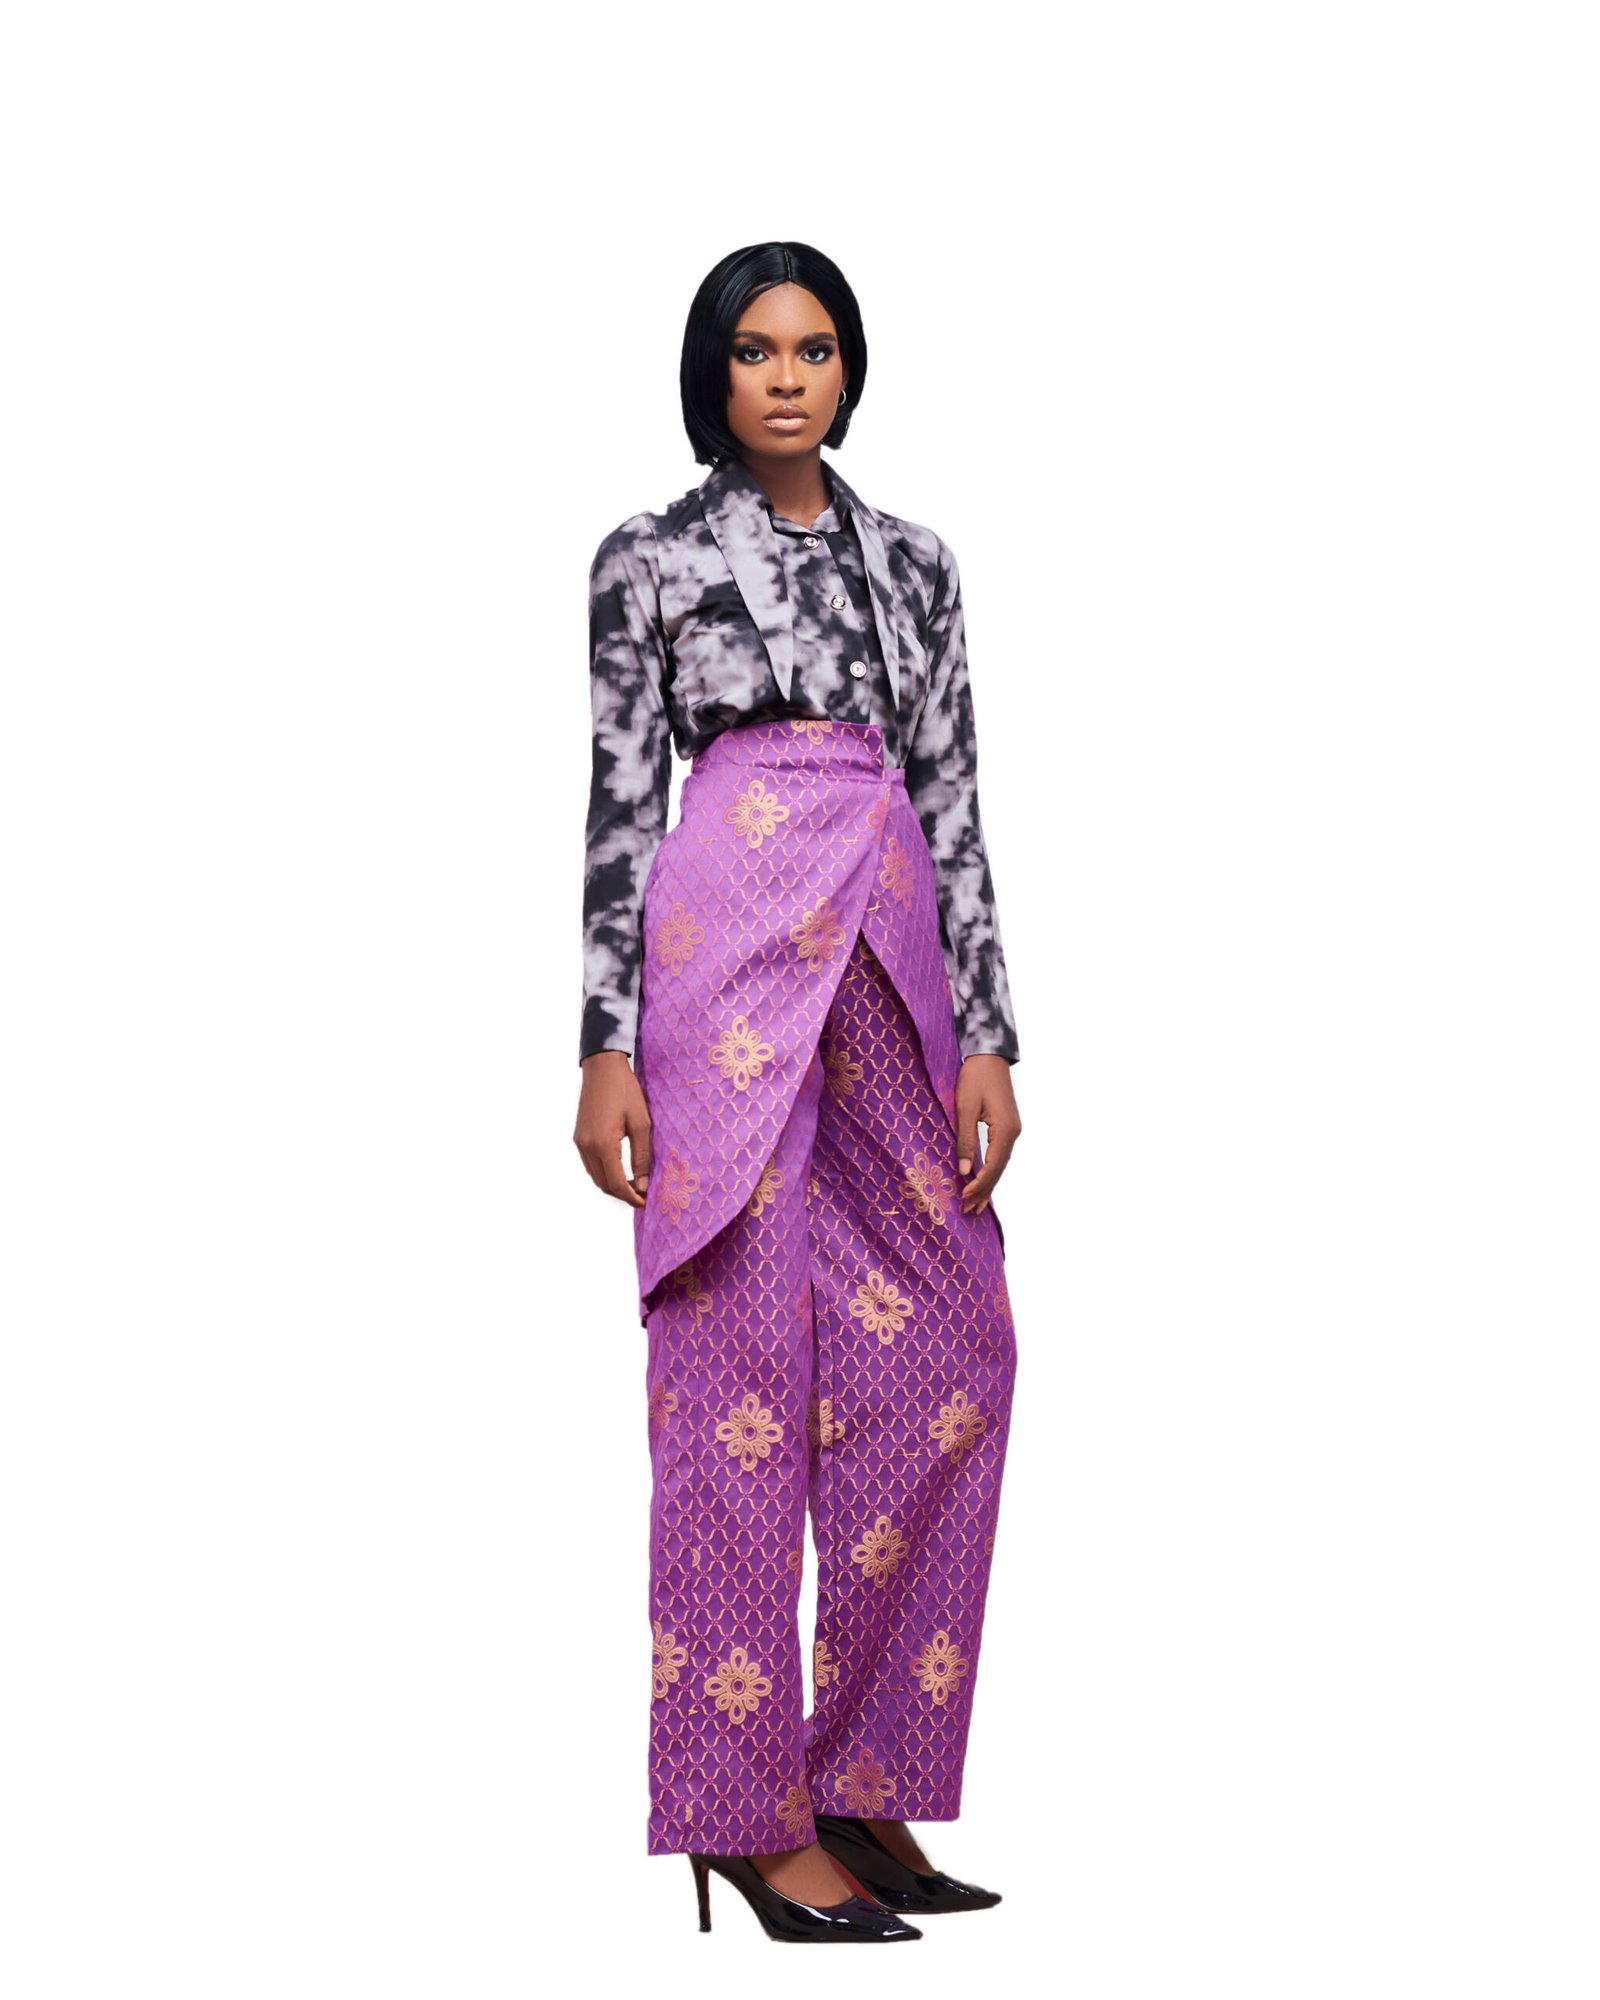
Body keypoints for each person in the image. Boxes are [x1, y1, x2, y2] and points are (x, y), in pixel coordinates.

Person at [573, 240, 1023, 1944]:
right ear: (715, 371)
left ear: (848, 369)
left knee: (955, 1348)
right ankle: (739, 1811)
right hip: (727, 955)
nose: (785, 377)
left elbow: (956, 795)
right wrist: (604, 1043)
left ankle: (856, 1774)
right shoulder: (651, 558)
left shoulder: (917, 563)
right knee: (737, 1364)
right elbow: (623, 802)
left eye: (814, 349)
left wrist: (991, 1033)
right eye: (755, 350)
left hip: (890, 943)